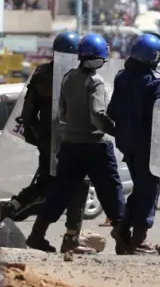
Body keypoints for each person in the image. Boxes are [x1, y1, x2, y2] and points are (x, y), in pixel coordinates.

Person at [29, 34, 127, 253]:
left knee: (60, 191)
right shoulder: (96, 82)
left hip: (70, 145)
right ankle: (124, 238)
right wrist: (117, 132)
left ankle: (37, 235)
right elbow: (97, 115)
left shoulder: (68, 77)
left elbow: (62, 112)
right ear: (101, 56)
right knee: (111, 190)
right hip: (95, 145)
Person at [0, 31, 94, 254]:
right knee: (78, 187)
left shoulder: (42, 73)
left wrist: (40, 140)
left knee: (47, 185)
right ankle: (70, 238)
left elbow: (27, 116)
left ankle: (20, 217)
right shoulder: (76, 76)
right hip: (73, 141)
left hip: (48, 142)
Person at [107, 33, 160, 254]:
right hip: (148, 146)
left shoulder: (121, 78)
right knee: (150, 189)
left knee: (141, 188)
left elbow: (112, 111)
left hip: (126, 143)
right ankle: (139, 239)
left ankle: (123, 229)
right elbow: (159, 120)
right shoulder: (155, 83)